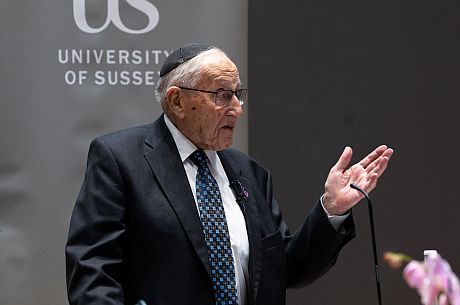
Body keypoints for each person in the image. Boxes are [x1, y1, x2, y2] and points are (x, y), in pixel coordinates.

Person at [65, 43, 393, 305]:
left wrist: (331, 209)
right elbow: (93, 271)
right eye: (222, 95)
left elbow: (284, 269)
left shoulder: (249, 173)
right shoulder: (121, 159)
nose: (237, 108)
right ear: (177, 101)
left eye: (238, 94)